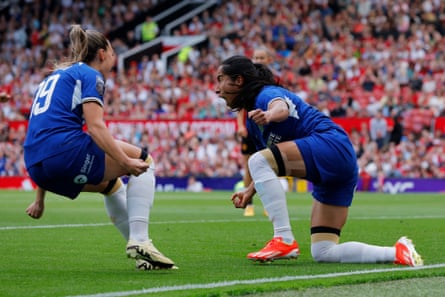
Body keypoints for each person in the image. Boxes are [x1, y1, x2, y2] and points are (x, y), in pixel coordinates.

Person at [215, 55, 423, 266]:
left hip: (330, 145)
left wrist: (269, 115)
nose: (217, 88)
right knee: (324, 251)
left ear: (239, 80)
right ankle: (397, 253)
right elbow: (269, 165)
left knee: (257, 160)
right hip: (337, 167)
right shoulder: (253, 126)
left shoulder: (264, 95)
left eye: (220, 79)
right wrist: (249, 191)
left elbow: (281, 109)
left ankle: (283, 238)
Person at [23, 25, 175, 270]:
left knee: (112, 186)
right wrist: (126, 163)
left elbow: (43, 136)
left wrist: (39, 199)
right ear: (103, 53)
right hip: (64, 153)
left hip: (35, 166)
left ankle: (143, 257)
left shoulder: (52, 78)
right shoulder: (90, 75)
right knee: (145, 162)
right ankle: (140, 241)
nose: (114, 58)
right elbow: (95, 127)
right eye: (113, 52)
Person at [238, 46, 276, 217]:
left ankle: (269, 204)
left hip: (267, 129)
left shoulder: (274, 80)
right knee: (249, 168)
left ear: (269, 60)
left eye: (261, 58)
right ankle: (249, 204)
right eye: (255, 58)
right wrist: (241, 126)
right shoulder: (247, 82)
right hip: (251, 129)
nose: (258, 61)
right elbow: (240, 107)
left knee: (270, 167)